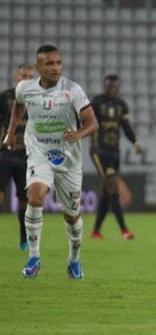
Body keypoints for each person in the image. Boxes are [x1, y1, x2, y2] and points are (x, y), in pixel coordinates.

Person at [2, 45, 98, 279]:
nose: (55, 68)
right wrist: (11, 132)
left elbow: (92, 123)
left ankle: (74, 260)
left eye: (58, 63)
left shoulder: (72, 90)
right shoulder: (25, 88)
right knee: (35, 197)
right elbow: (18, 105)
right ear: (38, 67)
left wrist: (78, 133)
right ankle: (34, 257)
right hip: (39, 152)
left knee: (71, 215)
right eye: (49, 63)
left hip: (68, 159)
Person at [89, 74, 143, 240]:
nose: (112, 89)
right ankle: (124, 230)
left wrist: (135, 142)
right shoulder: (96, 102)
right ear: (105, 86)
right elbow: (86, 121)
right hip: (99, 152)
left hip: (114, 152)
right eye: (110, 86)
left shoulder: (121, 105)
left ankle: (96, 231)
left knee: (107, 192)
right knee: (113, 186)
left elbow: (126, 127)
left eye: (115, 86)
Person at [0, 64, 35, 251]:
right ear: (17, 77)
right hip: (4, 154)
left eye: (30, 76)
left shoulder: (38, 99)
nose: (26, 79)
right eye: (23, 75)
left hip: (26, 156)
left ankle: (24, 240)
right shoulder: (5, 97)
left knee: (24, 200)